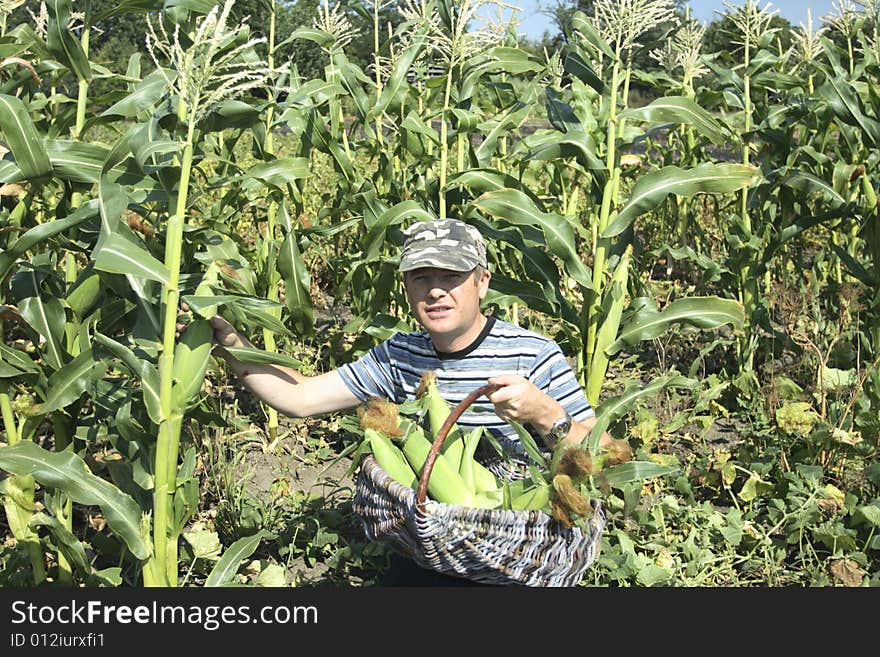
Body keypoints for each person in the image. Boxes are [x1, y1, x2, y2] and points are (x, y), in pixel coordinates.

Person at [208, 218, 612, 586]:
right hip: (432, 551)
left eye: (451, 276)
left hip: (523, 554)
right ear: (407, 289)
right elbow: (299, 396)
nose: (435, 290)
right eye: (421, 277)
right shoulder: (401, 355)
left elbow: (607, 454)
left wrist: (547, 415)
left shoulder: (532, 353)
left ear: (483, 282)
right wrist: (230, 345)